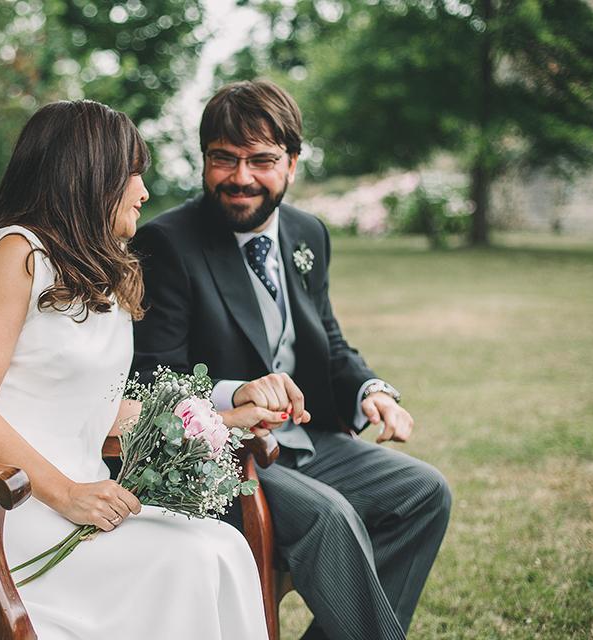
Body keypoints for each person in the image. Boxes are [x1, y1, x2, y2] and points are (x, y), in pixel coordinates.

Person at [0, 100, 270, 640]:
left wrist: (225, 418)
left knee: (223, 547)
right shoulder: (17, 253)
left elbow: (100, 410)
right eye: (132, 174)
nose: (144, 192)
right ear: (90, 175)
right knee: (183, 563)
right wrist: (66, 492)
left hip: (71, 497)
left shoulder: (99, 271)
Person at [132, 80, 451, 640]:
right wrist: (235, 393)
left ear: (293, 164)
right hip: (220, 454)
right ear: (204, 160)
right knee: (331, 518)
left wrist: (369, 389)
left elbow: (325, 334)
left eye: (261, 160)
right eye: (223, 159)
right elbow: (153, 375)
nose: (241, 177)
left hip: (306, 439)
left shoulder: (307, 233)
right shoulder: (167, 242)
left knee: (423, 492)